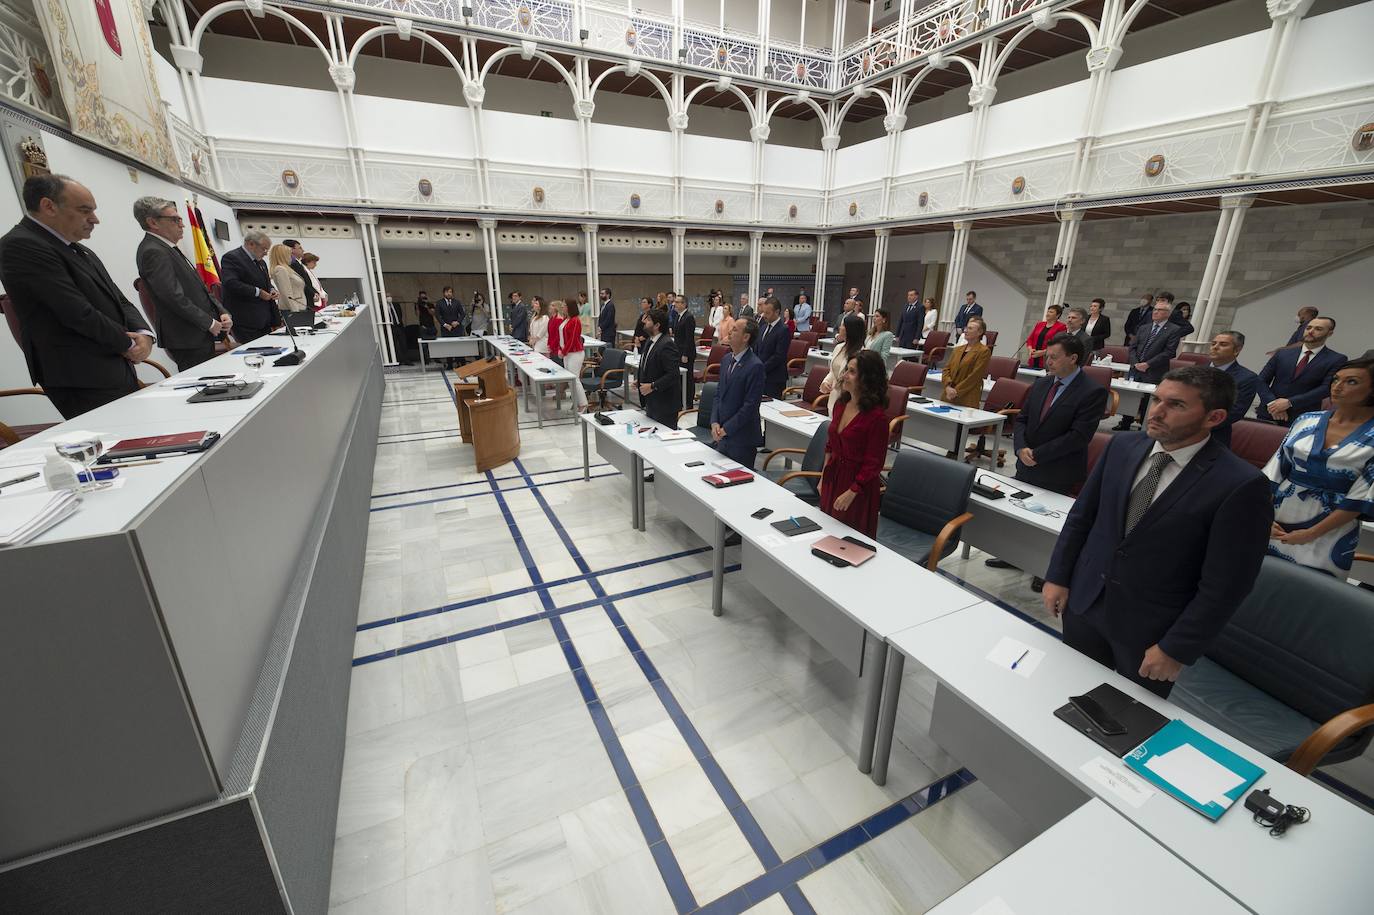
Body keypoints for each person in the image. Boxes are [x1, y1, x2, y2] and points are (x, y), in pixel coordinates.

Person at [1043, 366, 1272, 697]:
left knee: (1125, 722)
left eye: (1176, 405)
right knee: (1070, 692)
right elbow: (1083, 517)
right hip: (1086, 601)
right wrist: (1058, 576)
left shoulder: (1241, 485)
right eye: (1155, 400)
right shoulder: (1122, 446)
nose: (1157, 412)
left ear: (1214, 417)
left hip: (1151, 630)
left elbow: (1226, 585)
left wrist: (1177, 647)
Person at [0, 174, 156, 418]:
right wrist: (128, 344)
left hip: (113, 364)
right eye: (85, 211)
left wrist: (144, 336)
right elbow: (75, 312)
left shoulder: (80, 249)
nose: (95, 219)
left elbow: (119, 300)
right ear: (48, 206)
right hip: (79, 376)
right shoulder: (21, 245)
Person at [986, 334, 1109, 588]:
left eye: (1054, 357)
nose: (1048, 362)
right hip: (1026, 462)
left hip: (1059, 469)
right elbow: (1022, 420)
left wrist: (1038, 455)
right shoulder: (1043, 384)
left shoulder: (1092, 391)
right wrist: (1021, 449)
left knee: (1048, 522)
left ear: (1073, 358)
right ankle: (1015, 557)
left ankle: (1045, 570)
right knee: (1020, 512)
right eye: (1048, 356)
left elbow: (1078, 436)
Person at [1264, 358, 1374, 577]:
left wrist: (1311, 533)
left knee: (1311, 595)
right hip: (1277, 516)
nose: (1337, 387)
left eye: (1351, 382)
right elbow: (1274, 471)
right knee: (1256, 582)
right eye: (1336, 380)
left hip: (1331, 528)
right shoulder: (1307, 419)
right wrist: (1264, 518)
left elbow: (1361, 498)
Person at [134, 195, 230, 372]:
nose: (182, 224)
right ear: (153, 222)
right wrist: (208, 322)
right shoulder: (153, 251)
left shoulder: (167, 247)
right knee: (203, 386)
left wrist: (221, 312)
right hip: (187, 338)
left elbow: (200, 287)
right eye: (175, 219)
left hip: (198, 333)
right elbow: (172, 296)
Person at [819, 350, 890, 538]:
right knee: (826, 534)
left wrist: (852, 491)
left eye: (851, 372)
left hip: (858, 487)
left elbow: (873, 464)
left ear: (866, 378)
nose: (844, 376)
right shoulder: (841, 404)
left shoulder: (877, 418)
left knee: (848, 542)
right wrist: (822, 476)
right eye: (846, 370)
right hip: (833, 476)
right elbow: (830, 445)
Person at [1256, 316, 1344, 425]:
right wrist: (1272, 403)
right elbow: (1261, 380)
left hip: (1302, 418)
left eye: (1318, 329)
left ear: (1330, 333)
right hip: (1269, 412)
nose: (1311, 331)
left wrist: (1290, 402)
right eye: (1308, 328)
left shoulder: (1336, 359)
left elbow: (1326, 388)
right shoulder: (1283, 353)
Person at [1114, 298, 1183, 431]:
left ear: (1167, 313)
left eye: (1159, 310)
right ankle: (1125, 422)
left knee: (1149, 399)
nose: (1155, 312)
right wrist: (1136, 363)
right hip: (1136, 368)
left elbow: (1169, 352)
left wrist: (1148, 364)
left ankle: (1145, 425)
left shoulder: (1174, 330)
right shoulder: (1144, 327)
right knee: (1130, 395)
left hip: (1155, 370)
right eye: (1155, 309)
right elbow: (1132, 347)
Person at [710, 318, 764, 468]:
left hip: (742, 439)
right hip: (722, 435)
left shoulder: (755, 366)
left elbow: (750, 407)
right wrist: (714, 422)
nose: (729, 332)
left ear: (746, 337)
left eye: (734, 329)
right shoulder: (726, 359)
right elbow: (719, 394)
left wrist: (727, 429)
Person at [220, 228, 280, 343]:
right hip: (246, 320)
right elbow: (231, 283)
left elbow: (266, 282)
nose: (266, 253)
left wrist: (272, 289)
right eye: (264, 249)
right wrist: (258, 292)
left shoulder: (260, 262)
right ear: (251, 244)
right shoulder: (232, 257)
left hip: (264, 319)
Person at [1208, 331, 1258, 447]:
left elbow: (1235, 412)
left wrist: (1198, 425)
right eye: (1213, 343)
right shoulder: (1196, 370)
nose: (1215, 347)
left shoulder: (1246, 378)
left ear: (1236, 350)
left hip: (1214, 435)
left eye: (1223, 344)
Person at [636, 307, 680, 427]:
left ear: (657, 325)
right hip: (652, 401)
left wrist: (653, 386)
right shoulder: (650, 341)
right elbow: (651, 365)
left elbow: (673, 374)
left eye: (648, 320)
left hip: (664, 403)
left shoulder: (667, 344)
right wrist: (640, 379)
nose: (644, 322)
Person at [942, 316, 991, 409]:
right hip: (948, 394)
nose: (965, 331)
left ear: (979, 332)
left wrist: (956, 391)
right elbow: (946, 369)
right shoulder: (957, 349)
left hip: (966, 398)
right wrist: (948, 386)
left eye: (970, 328)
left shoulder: (984, 351)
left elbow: (975, 375)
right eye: (966, 328)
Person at [821, 314, 866, 411]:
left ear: (850, 330)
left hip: (849, 399)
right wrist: (826, 382)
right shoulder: (838, 347)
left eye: (843, 326)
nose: (840, 328)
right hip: (834, 397)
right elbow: (833, 371)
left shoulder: (861, 353)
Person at [753, 297, 790, 398]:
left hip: (774, 377)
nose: (764, 315)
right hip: (760, 374)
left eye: (767, 313)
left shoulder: (783, 330)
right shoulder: (763, 326)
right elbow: (757, 347)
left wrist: (762, 368)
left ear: (777, 312)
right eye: (764, 312)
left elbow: (779, 356)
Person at [557, 299, 589, 412]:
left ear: (570, 307)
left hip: (575, 353)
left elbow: (572, 339)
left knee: (575, 379)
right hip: (566, 353)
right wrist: (560, 349)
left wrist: (564, 351)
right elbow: (562, 337)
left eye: (564, 305)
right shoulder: (566, 319)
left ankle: (583, 404)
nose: (563, 307)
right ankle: (576, 403)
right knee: (570, 380)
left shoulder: (575, 320)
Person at [268, 243, 308, 323]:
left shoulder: (287, 268)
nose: (292, 257)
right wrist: (295, 312)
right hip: (293, 308)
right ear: (283, 255)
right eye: (290, 254)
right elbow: (287, 293)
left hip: (299, 306)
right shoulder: (280, 269)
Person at [672, 294, 696, 409]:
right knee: (681, 378)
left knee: (688, 379)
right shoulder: (678, 316)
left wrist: (685, 354)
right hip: (678, 351)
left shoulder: (688, 317)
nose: (674, 304)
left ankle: (689, 403)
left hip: (686, 353)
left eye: (677, 302)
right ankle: (681, 400)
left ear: (684, 304)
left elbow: (689, 338)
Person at [1024, 304, 1067, 370]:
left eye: (1051, 312)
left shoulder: (1061, 327)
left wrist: (1044, 352)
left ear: (1057, 315)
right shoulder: (1039, 324)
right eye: (1048, 311)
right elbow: (1030, 339)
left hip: (1047, 360)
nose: (1048, 314)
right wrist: (1030, 349)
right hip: (1033, 358)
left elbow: (1059, 344)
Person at [281, 239, 317, 312]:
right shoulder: (292, 264)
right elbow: (302, 282)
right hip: (302, 300)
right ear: (292, 250)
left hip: (307, 298)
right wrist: (312, 294)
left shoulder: (297, 263)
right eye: (300, 248)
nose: (303, 250)